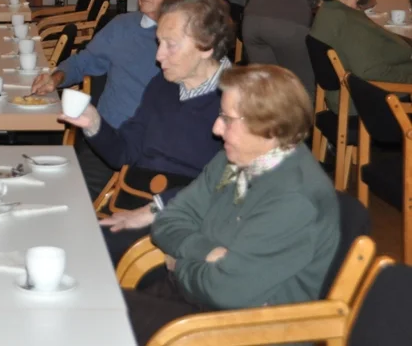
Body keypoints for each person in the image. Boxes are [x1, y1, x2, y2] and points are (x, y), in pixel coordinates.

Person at [124, 65, 339, 345]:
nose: (216, 128)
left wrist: (180, 262)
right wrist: (207, 251)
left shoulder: (294, 200)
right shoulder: (234, 159)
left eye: (227, 118)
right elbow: (170, 219)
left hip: (241, 330)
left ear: (269, 129)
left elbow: (226, 290)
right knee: (89, 309)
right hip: (195, 305)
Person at [60, 0, 233, 262]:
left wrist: (152, 211)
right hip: (130, 203)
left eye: (170, 45)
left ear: (207, 45)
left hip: (181, 227)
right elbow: (123, 153)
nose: (159, 56)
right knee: (58, 231)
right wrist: (94, 124)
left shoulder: (236, 102)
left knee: (74, 252)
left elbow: (226, 187)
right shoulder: (161, 86)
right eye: (159, 42)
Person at [31, 0, 190, 196]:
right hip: (106, 143)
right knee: (63, 196)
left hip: (159, 155)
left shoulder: (195, 41)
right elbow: (83, 62)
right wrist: (55, 78)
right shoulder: (122, 27)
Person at [310, 0, 412, 113]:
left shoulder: (329, 10)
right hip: (363, 104)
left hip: (346, 96)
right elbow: (371, 72)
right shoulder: (346, 20)